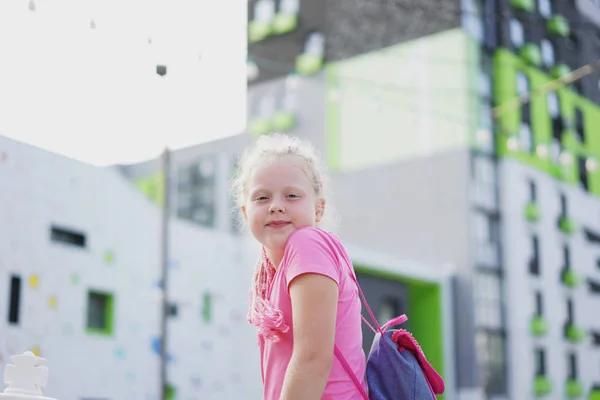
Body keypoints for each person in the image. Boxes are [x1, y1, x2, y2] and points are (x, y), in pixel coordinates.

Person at [231, 133, 367, 400]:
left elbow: (312, 359)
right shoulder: (269, 272)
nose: (276, 206)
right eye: (261, 198)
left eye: (291, 195)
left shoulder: (308, 244)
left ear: (318, 209)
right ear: (246, 212)